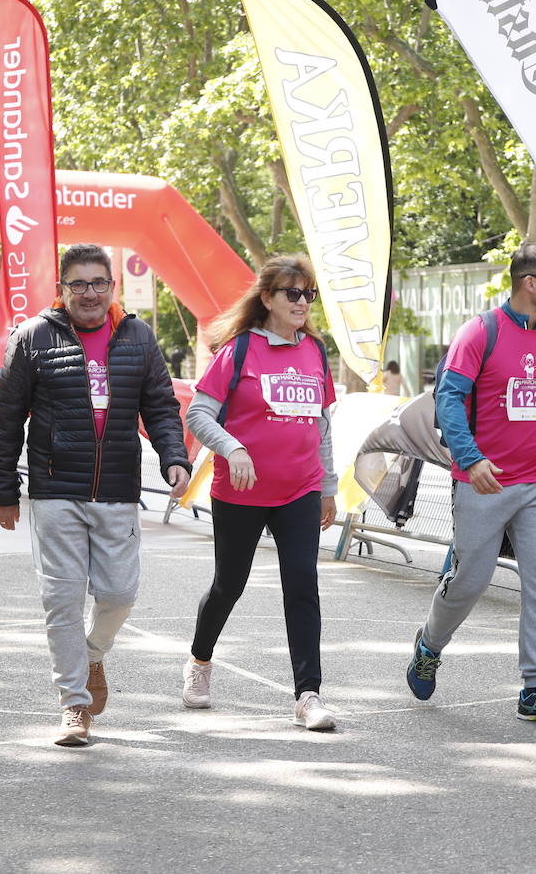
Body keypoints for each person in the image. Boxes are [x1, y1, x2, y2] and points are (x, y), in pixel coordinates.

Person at [0, 243, 190, 747]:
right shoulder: (32, 338)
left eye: (99, 283)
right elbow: (7, 420)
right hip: (56, 489)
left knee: (120, 594)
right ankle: (74, 704)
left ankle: (94, 653)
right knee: (61, 599)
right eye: (78, 284)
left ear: (112, 287)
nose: (89, 293)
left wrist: (174, 458)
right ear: (61, 290)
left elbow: (161, 408)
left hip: (118, 490)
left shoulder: (138, 337)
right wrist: (3, 489)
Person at [405, 242, 536, 725]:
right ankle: (429, 645)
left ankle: (534, 687)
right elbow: (449, 399)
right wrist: (471, 458)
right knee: (470, 581)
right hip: (483, 482)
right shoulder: (480, 332)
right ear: (531, 283)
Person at [181, 255, 340, 731]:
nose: (302, 302)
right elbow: (199, 416)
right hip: (241, 492)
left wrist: (328, 486)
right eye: (292, 293)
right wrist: (235, 450)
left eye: (308, 294)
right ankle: (199, 663)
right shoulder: (240, 350)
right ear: (267, 298)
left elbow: (323, 424)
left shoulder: (315, 350)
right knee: (229, 584)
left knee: (302, 584)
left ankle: (308, 695)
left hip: (300, 489)